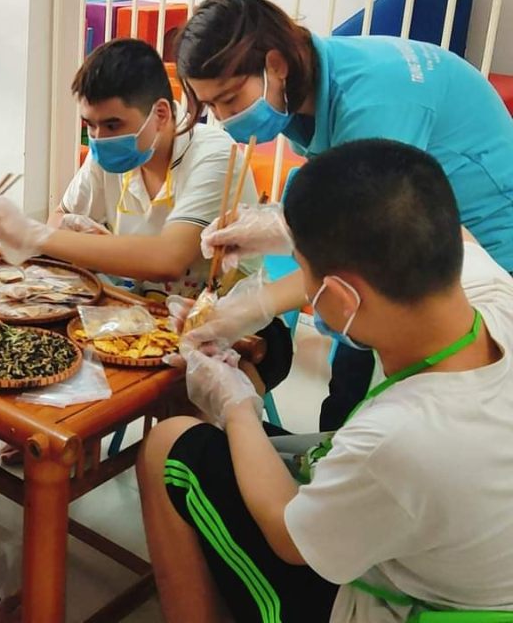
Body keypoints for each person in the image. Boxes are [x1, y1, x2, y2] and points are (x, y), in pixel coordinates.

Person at [138, 139, 513, 623]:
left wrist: (237, 405)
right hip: (458, 552)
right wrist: (285, 239)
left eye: (303, 274)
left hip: (398, 606)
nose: (301, 286)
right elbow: (457, 234)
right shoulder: (496, 295)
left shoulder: (398, 439)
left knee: (170, 445)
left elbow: (287, 534)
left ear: (341, 298)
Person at [174, 0, 513, 428]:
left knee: (421, 408)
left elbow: (365, 241)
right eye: (212, 106)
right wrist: (279, 227)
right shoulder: (304, 92)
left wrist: (252, 307)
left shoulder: (374, 102)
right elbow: (347, 211)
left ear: (275, 65)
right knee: (350, 388)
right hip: (416, 243)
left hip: (484, 250)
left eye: (231, 99)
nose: (224, 118)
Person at [0, 38, 259, 300]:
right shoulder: (112, 150)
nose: (100, 138)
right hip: (138, 309)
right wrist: (68, 235)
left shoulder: (215, 156)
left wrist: (30, 233)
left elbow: (169, 260)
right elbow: (62, 216)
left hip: (224, 322)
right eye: (90, 125)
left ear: (161, 114)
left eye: (113, 124)